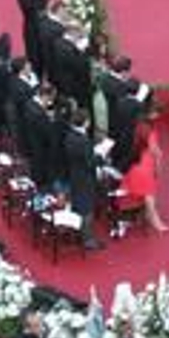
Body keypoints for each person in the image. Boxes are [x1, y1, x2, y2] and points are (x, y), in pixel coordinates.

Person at [116, 112, 169, 233]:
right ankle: (156, 222)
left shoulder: (136, 133)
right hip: (145, 169)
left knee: (147, 196)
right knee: (149, 197)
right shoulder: (151, 133)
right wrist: (158, 169)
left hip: (136, 167)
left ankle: (150, 218)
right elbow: (157, 153)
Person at [61, 107, 103, 251]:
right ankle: (87, 240)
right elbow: (90, 162)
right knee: (87, 209)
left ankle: (77, 232)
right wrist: (100, 157)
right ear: (85, 122)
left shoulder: (70, 135)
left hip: (75, 175)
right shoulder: (83, 141)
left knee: (78, 205)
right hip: (85, 178)